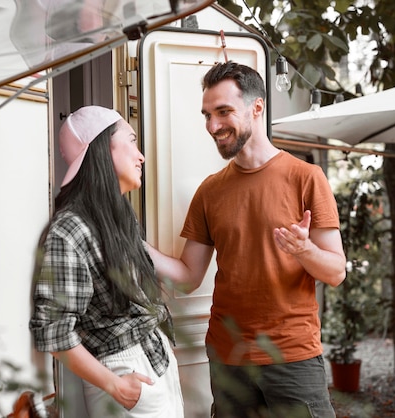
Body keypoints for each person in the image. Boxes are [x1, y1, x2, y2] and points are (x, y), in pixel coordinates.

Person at [145, 61, 347, 418]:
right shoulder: (210, 191)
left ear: (257, 108)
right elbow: (190, 276)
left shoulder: (306, 178)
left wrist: (305, 250)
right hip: (228, 358)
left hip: (291, 358)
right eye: (207, 114)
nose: (213, 125)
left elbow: (334, 272)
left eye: (223, 112)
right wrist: (133, 244)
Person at [29, 106, 183, 418]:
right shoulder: (69, 230)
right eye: (132, 141)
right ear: (101, 149)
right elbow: (54, 331)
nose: (140, 156)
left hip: (155, 361)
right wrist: (116, 386)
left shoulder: (118, 218)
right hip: (123, 370)